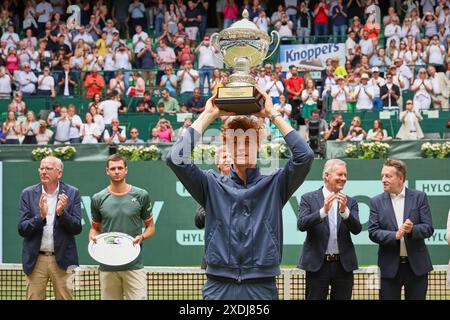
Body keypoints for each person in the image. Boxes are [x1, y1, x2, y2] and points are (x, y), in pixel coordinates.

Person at [166, 87, 315, 300]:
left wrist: (273, 114)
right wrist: (208, 115)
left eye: (248, 142)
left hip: (261, 286)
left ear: (259, 146)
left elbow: (305, 156)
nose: (242, 147)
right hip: (219, 285)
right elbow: (175, 158)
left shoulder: (275, 183)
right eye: (235, 142)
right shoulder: (210, 183)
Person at [89, 154, 155, 300]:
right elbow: (95, 228)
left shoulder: (141, 195)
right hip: (107, 266)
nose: (116, 171)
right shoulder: (98, 198)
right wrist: (92, 236)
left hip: (134, 265)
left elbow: (150, 227)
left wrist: (142, 237)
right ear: (107, 171)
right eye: (113, 168)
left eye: (120, 168)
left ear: (126, 170)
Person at [368, 159, 434, 300]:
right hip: (388, 268)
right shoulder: (376, 202)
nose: (383, 180)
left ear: (400, 178)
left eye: (388, 176)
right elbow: (373, 232)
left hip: (417, 267)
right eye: (382, 176)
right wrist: (395, 236)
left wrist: (412, 229)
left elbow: (428, 228)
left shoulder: (419, 197)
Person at [18, 156, 81, 300]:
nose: (43, 172)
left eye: (48, 169)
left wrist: (61, 213)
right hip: (36, 260)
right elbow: (22, 229)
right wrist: (40, 217)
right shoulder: (27, 194)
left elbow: (77, 228)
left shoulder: (72, 193)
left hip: (64, 260)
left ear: (59, 173)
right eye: (41, 168)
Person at [298, 159, 361, 300]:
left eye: (345, 175)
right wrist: (323, 211)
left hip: (343, 266)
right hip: (317, 266)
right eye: (340, 174)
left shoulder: (350, 202)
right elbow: (302, 224)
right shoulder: (308, 198)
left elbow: (357, 229)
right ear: (326, 175)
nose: (343, 178)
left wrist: (345, 212)